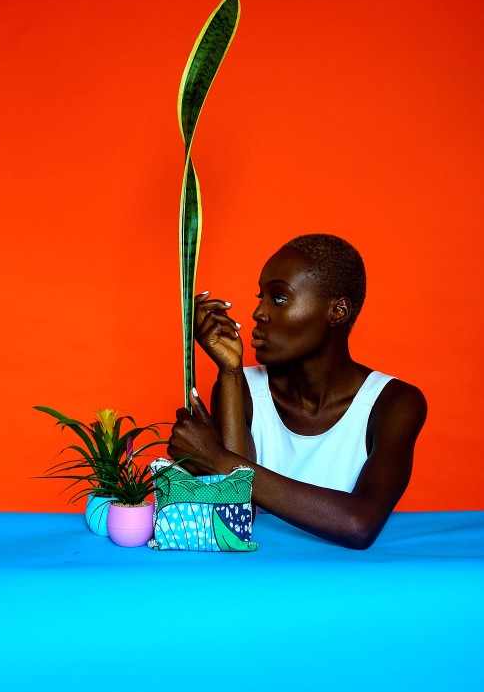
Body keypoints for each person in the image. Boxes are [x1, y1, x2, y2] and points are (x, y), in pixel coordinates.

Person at [167, 234, 427, 549]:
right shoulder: (242, 388)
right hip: (260, 580)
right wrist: (231, 373)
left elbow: (360, 525)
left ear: (337, 312)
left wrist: (217, 459)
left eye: (278, 298)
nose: (258, 313)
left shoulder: (394, 402)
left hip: (351, 585)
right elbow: (234, 515)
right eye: (260, 296)